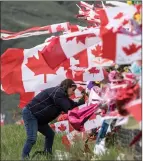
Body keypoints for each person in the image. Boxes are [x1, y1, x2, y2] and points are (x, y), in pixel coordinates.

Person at [21, 79, 85, 159]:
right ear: (68, 86)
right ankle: (24, 158)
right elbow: (68, 107)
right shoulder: (58, 92)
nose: (73, 92)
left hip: (40, 119)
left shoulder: (62, 96)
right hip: (30, 113)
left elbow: (72, 105)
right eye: (73, 89)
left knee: (50, 134)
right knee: (31, 138)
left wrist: (83, 100)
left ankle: (48, 155)